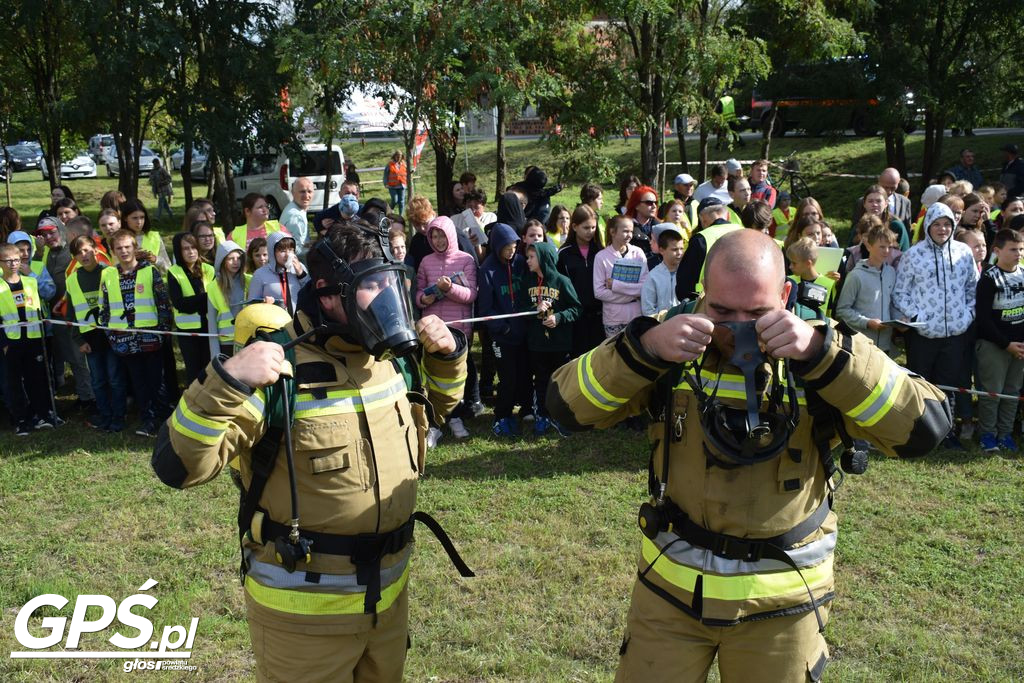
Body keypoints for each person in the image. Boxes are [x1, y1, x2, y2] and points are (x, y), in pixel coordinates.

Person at [546, 228, 951, 683]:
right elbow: (566, 407)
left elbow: (926, 429)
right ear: (703, 293)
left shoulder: (822, 349)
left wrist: (823, 356)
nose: (737, 326)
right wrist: (643, 349)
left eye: (758, 312)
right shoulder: (668, 339)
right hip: (669, 597)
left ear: (785, 294)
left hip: (784, 606)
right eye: (721, 310)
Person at [151, 219, 469, 683]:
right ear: (325, 294)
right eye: (371, 285)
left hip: (388, 601)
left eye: (391, 281)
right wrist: (226, 380)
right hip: (303, 623)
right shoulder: (279, 372)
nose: (386, 298)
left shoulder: (391, 358)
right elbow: (178, 466)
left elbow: (436, 408)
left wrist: (447, 356)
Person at [893, 203, 978, 449]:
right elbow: (900, 293)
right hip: (923, 334)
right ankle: (919, 433)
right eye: (937, 224)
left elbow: (973, 288)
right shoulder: (914, 255)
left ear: (953, 226)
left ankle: (946, 433)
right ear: (928, 226)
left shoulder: (963, 253)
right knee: (920, 383)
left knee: (947, 386)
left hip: (955, 333)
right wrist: (917, 315)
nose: (942, 229)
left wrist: (967, 315)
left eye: (947, 224)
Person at [100, 229, 172, 437]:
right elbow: (105, 308)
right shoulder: (109, 275)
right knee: (138, 382)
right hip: (124, 341)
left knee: (156, 381)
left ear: (134, 248)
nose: (123, 251)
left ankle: (164, 419)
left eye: (127, 247)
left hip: (151, 339)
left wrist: (164, 331)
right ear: (113, 251)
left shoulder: (149, 271)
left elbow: (163, 303)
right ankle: (147, 419)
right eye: (119, 248)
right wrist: (111, 336)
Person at [415, 216, 477, 441]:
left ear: (451, 235)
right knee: (431, 376)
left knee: (456, 377)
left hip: (458, 328)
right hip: (431, 328)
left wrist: (449, 289)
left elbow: (471, 295)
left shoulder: (466, 260)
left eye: (442, 235)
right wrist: (425, 299)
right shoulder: (425, 262)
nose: (438, 240)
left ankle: (456, 418)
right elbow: (418, 294)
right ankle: (434, 423)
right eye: (434, 235)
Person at [519, 240, 579, 437]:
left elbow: (576, 308)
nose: (527, 261)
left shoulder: (562, 281)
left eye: (531, 257)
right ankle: (542, 417)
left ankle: (560, 417)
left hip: (559, 344)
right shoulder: (527, 281)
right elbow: (519, 310)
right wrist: (533, 310)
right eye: (527, 257)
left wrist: (559, 317)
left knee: (560, 382)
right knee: (541, 381)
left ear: (544, 258)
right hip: (536, 344)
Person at [67, 235, 126, 432]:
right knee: (98, 381)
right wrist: (78, 339)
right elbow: (71, 313)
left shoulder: (110, 272)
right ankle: (104, 415)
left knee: (115, 378)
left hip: (112, 336)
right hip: (90, 340)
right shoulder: (73, 279)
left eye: (85, 250)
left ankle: (119, 416)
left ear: (95, 249)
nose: (83, 255)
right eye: (77, 253)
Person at [37, 219, 95, 411]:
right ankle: (84, 394)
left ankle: (91, 397)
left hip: (77, 314)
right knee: (71, 356)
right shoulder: (47, 252)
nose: (48, 237)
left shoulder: (72, 253)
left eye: (51, 232)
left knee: (80, 356)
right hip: (57, 314)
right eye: (43, 234)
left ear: (61, 230)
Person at [974, 228, 1024, 453]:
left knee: (1012, 393)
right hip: (994, 346)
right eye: (1013, 249)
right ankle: (987, 434)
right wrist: (1006, 344)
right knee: (992, 392)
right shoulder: (989, 278)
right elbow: (983, 319)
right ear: (997, 251)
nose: (1018, 254)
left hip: (1020, 348)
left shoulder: (1023, 274)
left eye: (1021, 249)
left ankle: (1005, 434)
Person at [0, 242, 56, 435]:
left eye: (16, 259)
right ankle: (21, 419)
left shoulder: (31, 282)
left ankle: (42, 414)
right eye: (7, 260)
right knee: (14, 381)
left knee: (37, 378)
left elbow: (38, 311)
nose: (13, 264)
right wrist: (4, 344)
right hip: (11, 341)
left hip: (34, 339)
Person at [479, 222, 528, 437]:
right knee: (506, 378)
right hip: (502, 337)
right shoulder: (487, 269)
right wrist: (503, 329)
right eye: (508, 247)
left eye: (515, 246)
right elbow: (485, 308)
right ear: (497, 246)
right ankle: (501, 416)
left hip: (523, 332)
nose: (512, 251)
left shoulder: (520, 262)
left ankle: (526, 410)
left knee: (523, 374)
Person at [836, 222, 903, 356]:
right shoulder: (856, 275)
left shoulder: (891, 272)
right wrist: (867, 323)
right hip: (862, 344)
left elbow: (893, 303)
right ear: (868, 246)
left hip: (885, 345)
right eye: (882, 247)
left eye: (889, 247)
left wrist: (900, 320)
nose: (887, 251)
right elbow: (842, 310)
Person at [557, 204, 604, 359]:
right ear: (575, 226)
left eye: (593, 228)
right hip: (575, 316)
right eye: (586, 228)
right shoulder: (564, 253)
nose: (590, 232)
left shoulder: (601, 251)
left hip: (599, 315)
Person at [674, 197, 742, 302]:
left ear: (702, 220)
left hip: (709, 304)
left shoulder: (701, 239)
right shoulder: (746, 233)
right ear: (727, 215)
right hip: (745, 300)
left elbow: (684, 284)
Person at [167, 233, 214, 384]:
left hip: (210, 327)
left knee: (211, 369)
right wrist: (205, 297)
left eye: (193, 247)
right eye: (185, 248)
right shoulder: (174, 272)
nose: (191, 251)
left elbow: (216, 299)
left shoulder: (209, 269)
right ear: (178, 252)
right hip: (188, 331)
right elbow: (180, 304)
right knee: (194, 371)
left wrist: (198, 301)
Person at [594, 215, 648, 338]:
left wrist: (616, 285)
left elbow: (645, 286)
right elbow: (599, 292)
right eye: (625, 231)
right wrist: (632, 295)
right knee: (615, 354)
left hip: (636, 315)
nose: (629, 235)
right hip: (613, 317)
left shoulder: (638, 253)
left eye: (631, 231)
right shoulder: (601, 257)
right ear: (612, 232)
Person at [248, 233, 310, 316]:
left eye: (291, 250)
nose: (288, 255)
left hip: (300, 324)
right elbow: (252, 306)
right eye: (282, 251)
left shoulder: (300, 267)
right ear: (272, 252)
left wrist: (301, 274)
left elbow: (311, 293)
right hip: (273, 324)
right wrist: (264, 303)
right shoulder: (260, 274)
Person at [208, 240, 250, 356]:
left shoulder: (249, 281)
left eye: (238, 258)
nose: (236, 262)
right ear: (222, 261)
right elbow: (212, 324)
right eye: (230, 258)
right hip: (226, 343)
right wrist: (215, 355)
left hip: (248, 340)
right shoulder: (213, 286)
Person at [786, 238, 837, 320]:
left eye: (794, 263)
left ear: (808, 263)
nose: (790, 266)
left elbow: (830, 315)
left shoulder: (829, 284)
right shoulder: (789, 281)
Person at [641, 223, 684, 316]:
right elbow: (647, 308)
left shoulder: (686, 272)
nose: (679, 253)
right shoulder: (653, 276)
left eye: (681, 249)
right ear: (662, 250)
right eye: (674, 249)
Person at [121, 199, 172, 271]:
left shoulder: (155, 237)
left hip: (154, 280)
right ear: (125, 218)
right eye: (134, 218)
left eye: (142, 217)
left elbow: (168, 268)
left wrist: (155, 259)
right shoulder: (118, 239)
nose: (139, 222)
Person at [858, 184, 910, 251]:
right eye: (870, 201)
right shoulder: (860, 225)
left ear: (886, 203)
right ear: (864, 204)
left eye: (878, 201)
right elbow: (849, 253)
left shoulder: (896, 226)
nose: (874, 204)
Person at [278, 177, 314, 258]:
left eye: (309, 191)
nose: (306, 195)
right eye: (302, 191)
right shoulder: (296, 217)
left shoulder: (296, 209)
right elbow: (296, 251)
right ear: (293, 193)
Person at [626, 186, 659, 255]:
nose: (654, 206)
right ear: (636, 205)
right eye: (649, 203)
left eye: (655, 202)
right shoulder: (625, 228)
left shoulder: (660, 227)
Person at [384, 150, 409, 215]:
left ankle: (401, 216)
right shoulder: (390, 164)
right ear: (394, 156)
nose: (398, 158)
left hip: (402, 185)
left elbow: (407, 172)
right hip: (392, 186)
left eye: (400, 157)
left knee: (401, 201)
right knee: (395, 200)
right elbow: (385, 174)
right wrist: (385, 183)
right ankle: (389, 210)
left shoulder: (404, 164)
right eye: (397, 156)